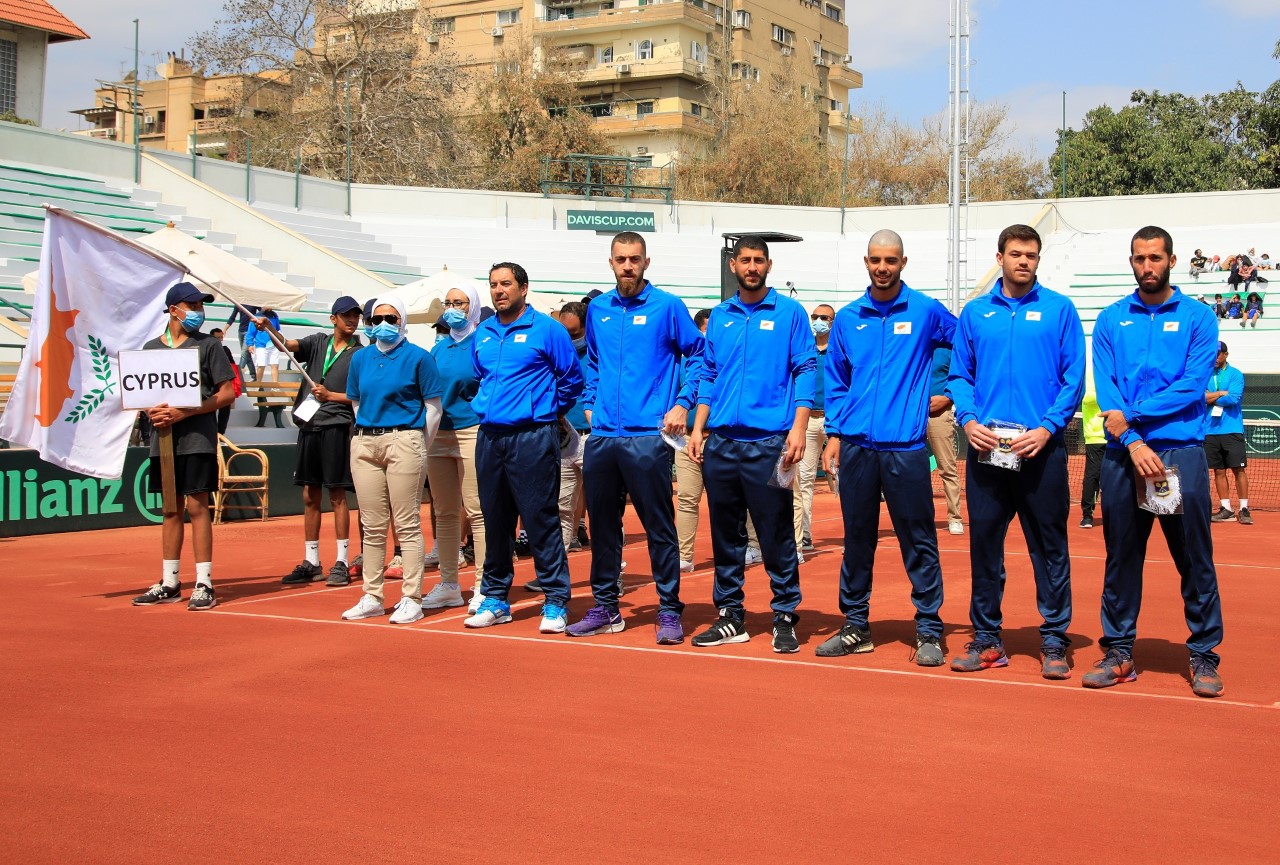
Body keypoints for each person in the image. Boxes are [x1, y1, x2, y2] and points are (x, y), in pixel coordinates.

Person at [1088, 225, 1224, 698]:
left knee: (1194, 561)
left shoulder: (1199, 318)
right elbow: (1107, 389)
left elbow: (1191, 386)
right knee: (1122, 559)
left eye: (1156, 257)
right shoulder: (1110, 319)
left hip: (1178, 454)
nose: (1148, 266)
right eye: (1140, 258)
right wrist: (1130, 439)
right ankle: (1120, 652)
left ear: (1172, 260)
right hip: (1125, 455)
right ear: (1131, 262)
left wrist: (1132, 420)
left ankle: (1205, 656)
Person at [947, 224, 1085, 680]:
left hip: (1040, 453)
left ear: (1038, 260)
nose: (1023, 261)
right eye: (1015, 254)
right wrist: (968, 421)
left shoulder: (1059, 310)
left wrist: (1047, 430)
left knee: (1049, 549)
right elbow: (960, 377)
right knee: (984, 547)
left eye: (1031, 254)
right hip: (987, 454)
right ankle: (987, 639)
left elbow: (1072, 380)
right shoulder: (974, 314)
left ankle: (1054, 639)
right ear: (1000, 257)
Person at [819, 229, 957, 666]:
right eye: (876, 260)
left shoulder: (926, 311)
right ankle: (856, 626)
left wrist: (952, 392)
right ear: (866, 262)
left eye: (891, 260)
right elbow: (837, 382)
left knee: (918, 541)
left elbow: (969, 347)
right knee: (857, 541)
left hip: (906, 449)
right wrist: (836, 435)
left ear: (903, 262)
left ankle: (929, 630)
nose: (883, 267)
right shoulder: (846, 318)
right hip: (858, 448)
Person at [566, 232, 705, 643]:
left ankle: (668, 609)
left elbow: (698, 355)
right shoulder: (600, 310)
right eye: (621, 259)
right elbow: (592, 360)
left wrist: (682, 403)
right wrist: (591, 402)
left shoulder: (667, 307)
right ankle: (607, 607)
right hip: (604, 435)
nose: (627, 265)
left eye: (635, 259)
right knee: (603, 527)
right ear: (610, 263)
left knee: (659, 526)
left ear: (647, 263)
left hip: (648, 435)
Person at [687, 235, 816, 653]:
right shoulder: (721, 316)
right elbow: (707, 374)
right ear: (733, 265)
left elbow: (805, 369)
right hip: (721, 442)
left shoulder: (789, 313)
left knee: (776, 533)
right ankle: (730, 615)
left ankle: (784, 614)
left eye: (758, 260)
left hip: (767, 443)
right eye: (745, 260)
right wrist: (697, 427)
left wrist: (798, 429)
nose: (752, 267)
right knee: (726, 536)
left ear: (769, 265)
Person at [464, 262, 584, 633]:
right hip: (490, 437)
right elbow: (478, 377)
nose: (499, 291)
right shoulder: (482, 333)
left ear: (524, 288)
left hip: (533, 436)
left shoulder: (548, 330)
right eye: (494, 285)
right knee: (495, 520)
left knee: (540, 519)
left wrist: (543, 411)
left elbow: (571, 380)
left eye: (506, 284)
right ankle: (497, 597)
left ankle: (555, 601)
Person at [131, 282, 236, 611]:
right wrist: (150, 409)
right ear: (173, 309)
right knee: (170, 510)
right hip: (161, 443)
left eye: (200, 306)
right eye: (192, 305)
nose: (198, 312)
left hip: (197, 439)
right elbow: (141, 396)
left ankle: (204, 582)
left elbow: (228, 393)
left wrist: (185, 411)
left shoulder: (209, 346)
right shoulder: (149, 349)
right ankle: (170, 581)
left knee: (197, 507)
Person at [340, 295, 443, 624]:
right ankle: (372, 594)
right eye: (377, 318)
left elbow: (433, 407)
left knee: (407, 523)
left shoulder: (419, 358)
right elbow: (357, 402)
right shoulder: (360, 359)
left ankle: (412, 596)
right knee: (372, 525)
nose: (383, 324)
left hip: (405, 439)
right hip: (366, 442)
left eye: (391, 318)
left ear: (402, 321)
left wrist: (416, 443)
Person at [259, 296, 364, 588]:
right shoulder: (318, 342)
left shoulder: (361, 354)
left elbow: (362, 395)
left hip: (338, 426)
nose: (352, 320)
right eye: (346, 315)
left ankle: (341, 561)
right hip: (309, 424)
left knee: (338, 494)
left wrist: (331, 396)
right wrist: (268, 327)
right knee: (309, 495)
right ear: (333, 319)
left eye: (355, 316)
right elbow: (285, 345)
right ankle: (312, 561)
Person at [423, 281, 489, 615]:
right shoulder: (439, 348)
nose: (453, 308)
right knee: (444, 512)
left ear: (472, 306)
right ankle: (449, 583)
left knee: (477, 510)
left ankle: (483, 585)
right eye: (448, 302)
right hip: (439, 434)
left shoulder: (484, 340)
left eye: (460, 302)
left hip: (472, 430)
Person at [674, 308, 713, 571]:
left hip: (720, 438)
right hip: (686, 439)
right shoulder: (683, 363)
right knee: (687, 497)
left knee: (731, 500)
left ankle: (751, 546)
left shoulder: (728, 358)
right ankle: (684, 556)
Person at [797, 304, 835, 550]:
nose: (818, 320)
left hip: (834, 423)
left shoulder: (840, 349)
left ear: (832, 321)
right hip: (809, 420)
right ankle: (805, 534)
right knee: (804, 479)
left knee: (842, 478)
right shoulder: (805, 347)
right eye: (815, 316)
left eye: (824, 317)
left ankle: (858, 530)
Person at [556, 301, 591, 555]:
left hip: (593, 436)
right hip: (564, 437)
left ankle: (612, 572)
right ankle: (554, 573)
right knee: (560, 505)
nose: (569, 340)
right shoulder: (557, 353)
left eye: (574, 334)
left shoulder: (602, 354)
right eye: (564, 333)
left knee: (604, 505)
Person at [1205, 341, 1252, 526]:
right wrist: (1221, 393)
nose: (1215, 358)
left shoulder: (1235, 374)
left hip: (1232, 430)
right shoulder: (1204, 373)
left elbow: (1234, 398)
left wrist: (1212, 396)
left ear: (1226, 354)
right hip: (1209, 429)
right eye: (1213, 354)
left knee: (1238, 469)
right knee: (1218, 470)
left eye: (1218, 354)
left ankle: (1244, 508)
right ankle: (1226, 509)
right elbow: (1199, 398)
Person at [926, 347, 963, 535]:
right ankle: (918, 519)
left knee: (947, 467)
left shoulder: (948, 349)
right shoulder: (911, 341)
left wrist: (948, 399)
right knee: (910, 470)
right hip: (908, 415)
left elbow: (961, 378)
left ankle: (955, 518)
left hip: (939, 415)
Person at [1078, 369, 1105, 529]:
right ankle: (1087, 515)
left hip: (1116, 437)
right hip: (1095, 438)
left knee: (1115, 479)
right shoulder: (1088, 393)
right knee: (1093, 477)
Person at [208, 327, 238, 436]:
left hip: (224, 383)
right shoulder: (207, 349)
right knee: (211, 409)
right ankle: (212, 432)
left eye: (221, 337)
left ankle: (221, 433)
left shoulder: (225, 349)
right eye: (217, 337)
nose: (220, 339)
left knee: (225, 410)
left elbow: (233, 366)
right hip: (211, 385)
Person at [245, 307, 281, 382]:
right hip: (261, 345)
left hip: (273, 344)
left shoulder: (274, 315)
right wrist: (250, 344)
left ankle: (275, 387)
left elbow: (277, 329)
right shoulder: (256, 317)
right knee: (261, 366)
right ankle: (258, 385)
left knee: (275, 365)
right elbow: (250, 332)